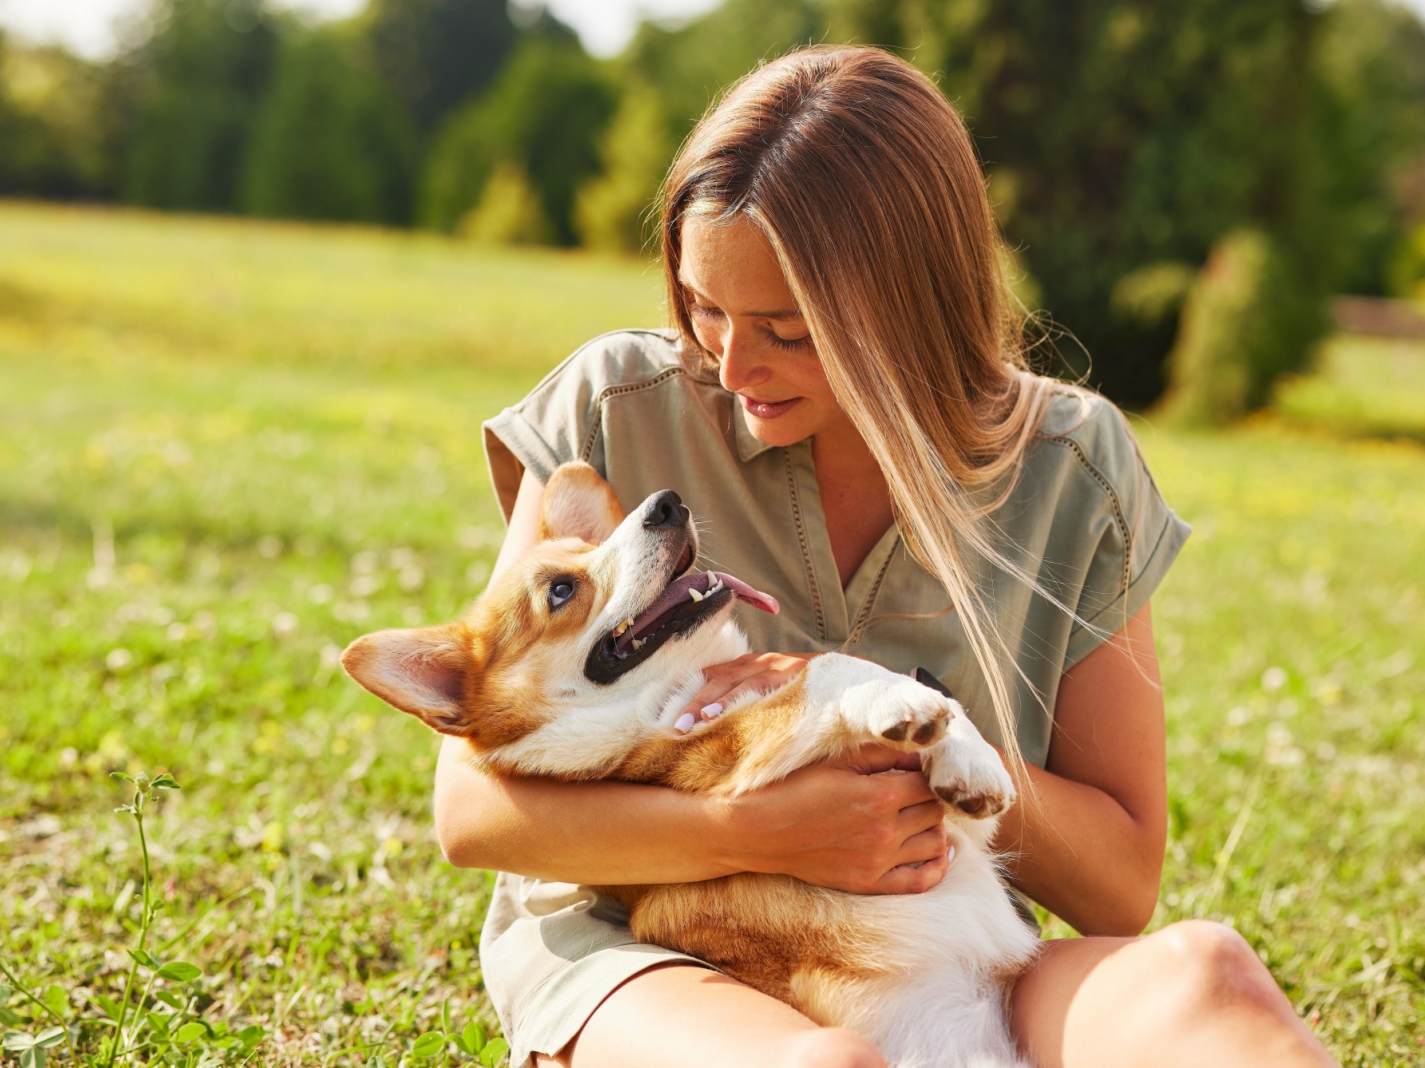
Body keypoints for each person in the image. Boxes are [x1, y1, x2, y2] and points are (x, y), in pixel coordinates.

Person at [433, 46, 1336, 1068]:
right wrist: (764, 827)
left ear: (910, 306)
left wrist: (890, 738)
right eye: (703, 307)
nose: (730, 367)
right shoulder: (616, 406)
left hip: (940, 961)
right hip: (648, 957)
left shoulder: (1069, 465)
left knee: (1204, 980)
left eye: (785, 329)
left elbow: (1119, 885)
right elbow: (473, 812)